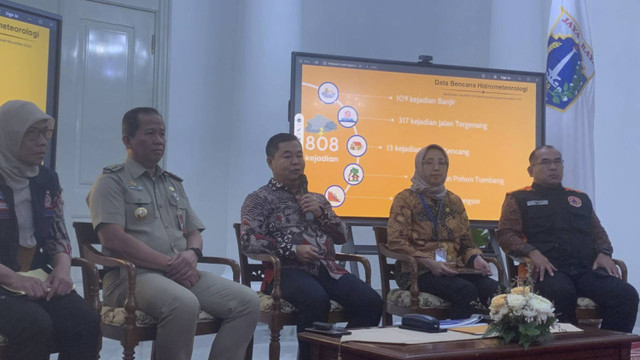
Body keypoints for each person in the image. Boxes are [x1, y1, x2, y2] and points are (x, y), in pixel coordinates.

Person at [87, 107, 259, 360]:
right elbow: (113, 238)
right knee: (183, 303)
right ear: (128, 140)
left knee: (247, 301)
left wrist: (192, 254)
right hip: (130, 277)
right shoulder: (111, 181)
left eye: (162, 133)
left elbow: (194, 232)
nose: (159, 140)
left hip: (179, 272)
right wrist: (170, 265)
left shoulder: (172, 184)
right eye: (150, 133)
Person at [240, 133, 383, 359]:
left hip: (326, 270)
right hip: (284, 273)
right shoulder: (259, 198)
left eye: (299, 155)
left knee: (371, 301)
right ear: (270, 162)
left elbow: (341, 236)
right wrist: (293, 250)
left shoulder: (318, 199)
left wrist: (321, 213)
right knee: (316, 299)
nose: (296, 161)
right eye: (288, 156)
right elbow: (249, 239)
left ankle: (341, 354)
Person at [497, 145, 638, 332]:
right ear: (531, 171)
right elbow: (505, 234)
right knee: (561, 292)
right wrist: (532, 252)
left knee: (626, 294)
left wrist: (604, 253)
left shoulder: (579, 198)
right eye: (545, 162)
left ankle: (608, 348)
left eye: (557, 162)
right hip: (547, 270)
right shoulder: (518, 198)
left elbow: (598, 233)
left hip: (585, 269)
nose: (553, 167)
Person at [0, 100, 100, 359]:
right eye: (32, 134)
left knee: (85, 321)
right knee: (34, 326)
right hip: (5, 280)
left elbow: (57, 232)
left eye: (45, 133)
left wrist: (63, 268)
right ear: (9, 135)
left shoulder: (46, 179)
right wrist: (12, 278)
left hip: (33, 277)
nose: (42, 142)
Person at [387, 144, 500, 319]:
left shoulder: (454, 201)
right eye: (429, 162)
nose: (436, 167)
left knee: (497, 291)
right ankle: (456, 343)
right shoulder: (405, 199)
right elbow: (396, 241)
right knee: (465, 291)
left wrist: (475, 258)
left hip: (455, 269)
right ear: (419, 166)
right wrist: (429, 263)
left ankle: (488, 342)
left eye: (442, 163)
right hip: (418, 272)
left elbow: (467, 243)